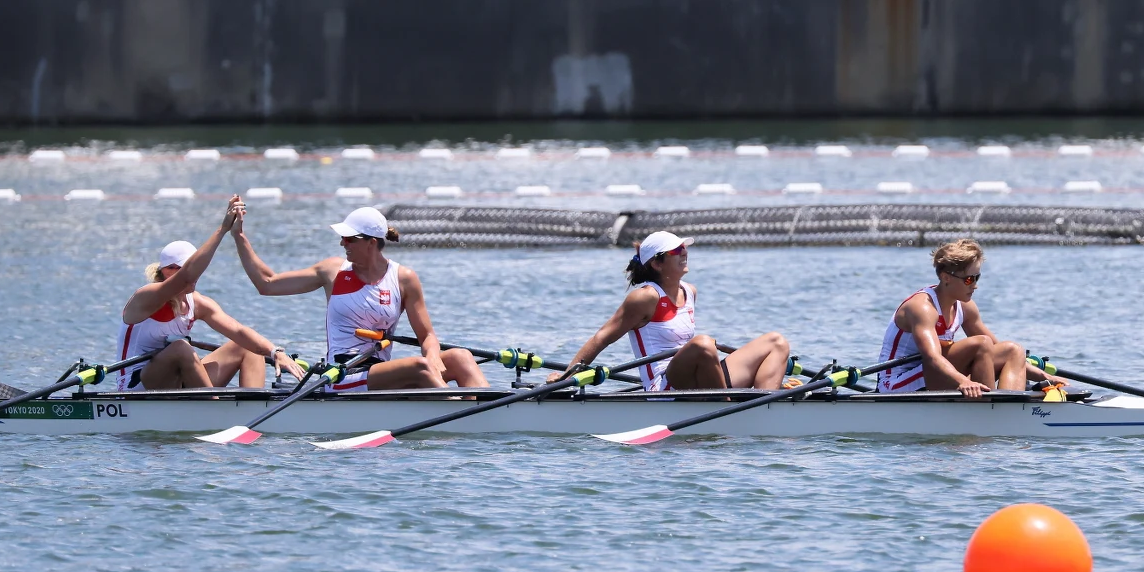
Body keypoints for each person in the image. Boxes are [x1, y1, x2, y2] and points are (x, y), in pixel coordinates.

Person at [230, 205, 489, 391]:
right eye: (342, 238)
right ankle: (459, 412)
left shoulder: (403, 278)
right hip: (343, 375)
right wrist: (239, 237)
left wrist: (433, 354)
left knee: (460, 357)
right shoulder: (333, 271)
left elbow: (428, 336)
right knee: (419, 367)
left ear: (372, 243)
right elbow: (267, 284)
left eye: (349, 238)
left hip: (381, 371)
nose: (343, 243)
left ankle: (491, 410)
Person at [548, 231, 791, 391]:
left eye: (684, 247)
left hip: (699, 377)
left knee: (776, 341)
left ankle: (767, 400)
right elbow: (602, 338)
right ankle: (726, 408)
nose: (684, 252)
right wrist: (566, 376)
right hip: (664, 383)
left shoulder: (690, 291)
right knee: (703, 344)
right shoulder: (644, 298)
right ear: (656, 263)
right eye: (676, 250)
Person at [117, 196, 304, 391]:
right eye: (178, 268)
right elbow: (187, 276)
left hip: (176, 381)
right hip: (137, 385)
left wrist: (275, 352)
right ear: (165, 270)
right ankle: (214, 407)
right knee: (181, 348)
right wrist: (222, 230)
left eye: (192, 268)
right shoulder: (147, 296)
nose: (194, 275)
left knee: (247, 346)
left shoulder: (197, 304)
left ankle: (252, 409)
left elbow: (239, 331)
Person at [877, 238, 1052, 398]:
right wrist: (964, 382)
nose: (975, 286)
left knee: (1013, 350)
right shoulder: (922, 307)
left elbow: (997, 350)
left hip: (931, 375)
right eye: (969, 280)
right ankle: (988, 411)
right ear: (946, 278)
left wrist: (1044, 376)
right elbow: (932, 357)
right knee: (981, 344)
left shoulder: (965, 307)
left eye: (977, 277)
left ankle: (1008, 407)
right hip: (896, 383)